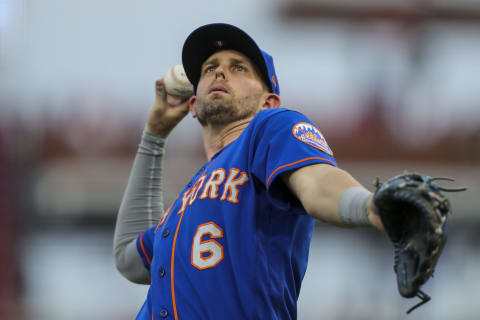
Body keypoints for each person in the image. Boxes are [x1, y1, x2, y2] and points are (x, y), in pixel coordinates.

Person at [114, 23, 384, 320]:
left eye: (239, 68)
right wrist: (154, 135)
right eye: (209, 68)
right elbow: (129, 258)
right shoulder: (181, 208)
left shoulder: (270, 128)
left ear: (268, 102)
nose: (219, 72)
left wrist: (367, 205)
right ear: (193, 104)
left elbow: (317, 183)